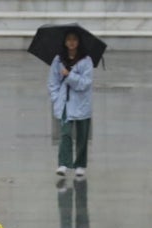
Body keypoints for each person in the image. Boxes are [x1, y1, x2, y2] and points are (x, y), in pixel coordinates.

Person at [48, 28, 94, 178]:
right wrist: (55, 98)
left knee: (82, 134)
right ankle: (63, 163)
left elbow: (85, 83)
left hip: (81, 102)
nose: (71, 43)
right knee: (65, 133)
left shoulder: (86, 61)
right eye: (69, 39)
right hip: (65, 102)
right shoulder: (58, 60)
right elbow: (53, 81)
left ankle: (80, 164)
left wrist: (70, 76)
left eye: (74, 39)